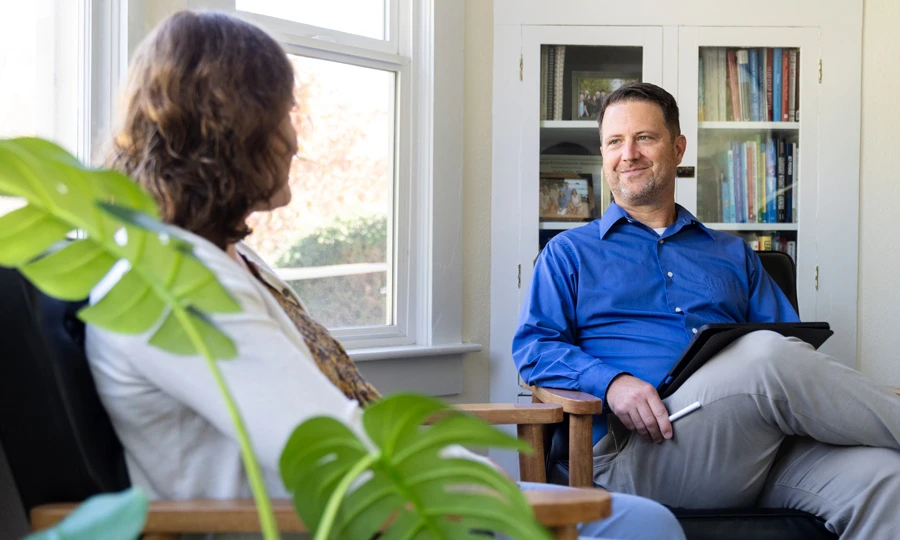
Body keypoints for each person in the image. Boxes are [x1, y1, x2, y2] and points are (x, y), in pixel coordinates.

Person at [86, 11, 684, 540]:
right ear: (231, 128)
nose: (296, 140)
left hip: (383, 499)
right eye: (283, 116)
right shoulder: (170, 283)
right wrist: (477, 482)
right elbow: (325, 445)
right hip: (346, 517)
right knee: (646, 524)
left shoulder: (222, 261)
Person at [512, 82, 900, 538]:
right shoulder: (568, 253)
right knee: (764, 355)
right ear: (604, 153)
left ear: (677, 148)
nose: (628, 153)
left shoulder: (733, 254)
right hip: (642, 450)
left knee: (886, 478)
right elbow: (535, 347)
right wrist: (612, 383)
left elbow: (795, 351)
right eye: (615, 142)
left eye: (645, 138)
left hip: (756, 450)